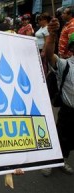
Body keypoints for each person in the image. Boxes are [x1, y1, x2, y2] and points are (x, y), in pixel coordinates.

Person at [42, 18, 74, 177]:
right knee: (60, 138)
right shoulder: (66, 65)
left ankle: (61, 161)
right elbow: (49, 55)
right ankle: (50, 162)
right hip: (67, 112)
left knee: (68, 142)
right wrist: (52, 36)